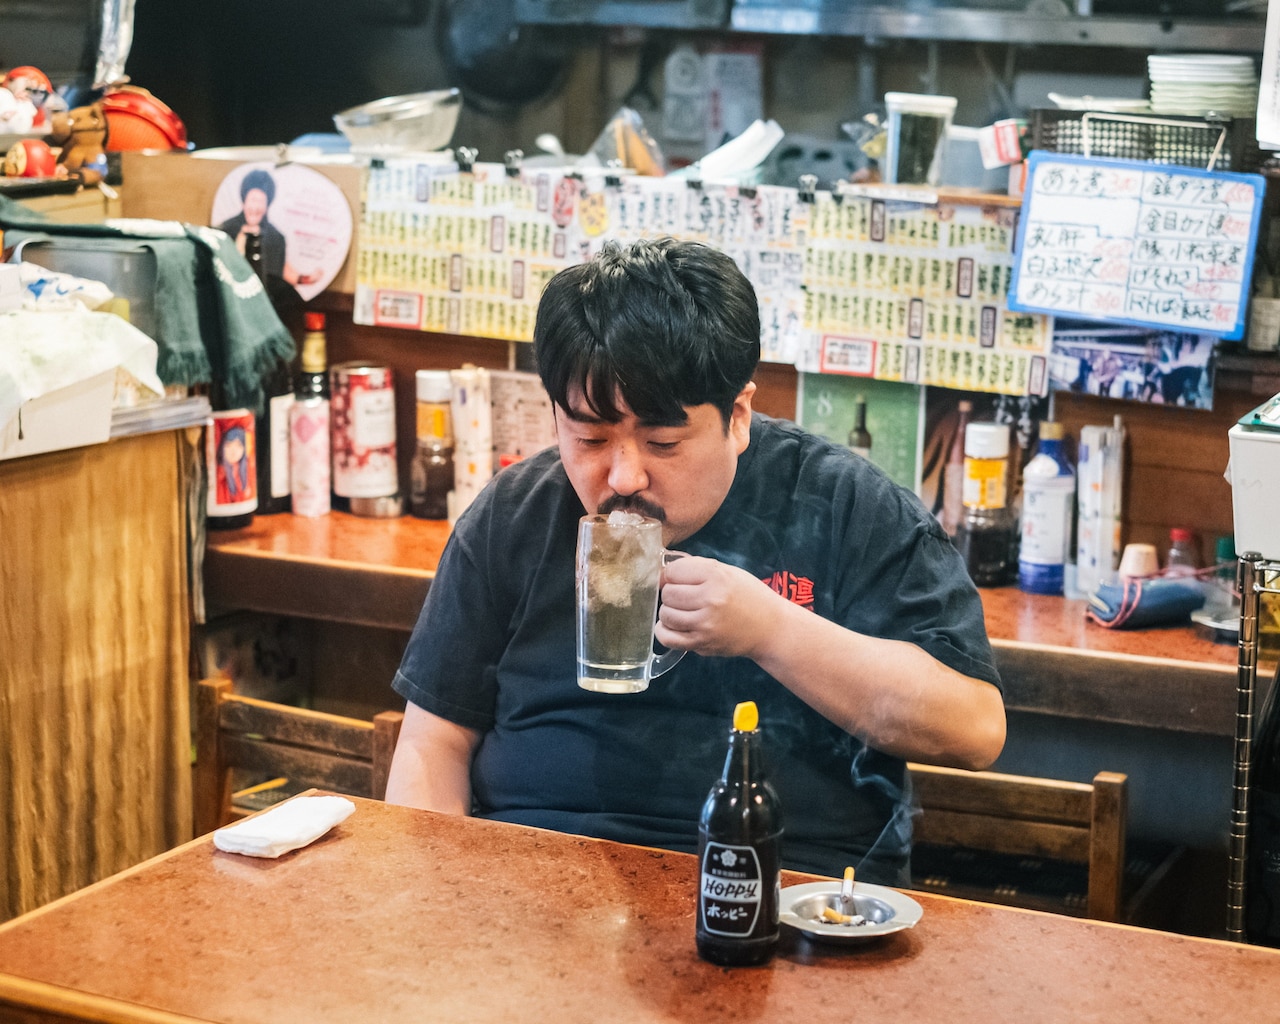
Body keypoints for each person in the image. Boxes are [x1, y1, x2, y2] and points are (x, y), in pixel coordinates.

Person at [385, 237, 1005, 882]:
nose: (623, 475)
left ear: (737, 416)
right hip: (532, 884)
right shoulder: (513, 514)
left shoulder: (845, 504)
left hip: (789, 891)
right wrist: (438, 909)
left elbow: (974, 729)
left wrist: (772, 630)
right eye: (590, 437)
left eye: (662, 441)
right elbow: (434, 743)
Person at [217, 168, 318, 294]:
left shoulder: (277, 238)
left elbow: (279, 273)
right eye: (253, 199)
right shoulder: (223, 231)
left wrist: (304, 279)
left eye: (260, 201)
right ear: (244, 200)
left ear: (267, 204)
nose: (255, 207)